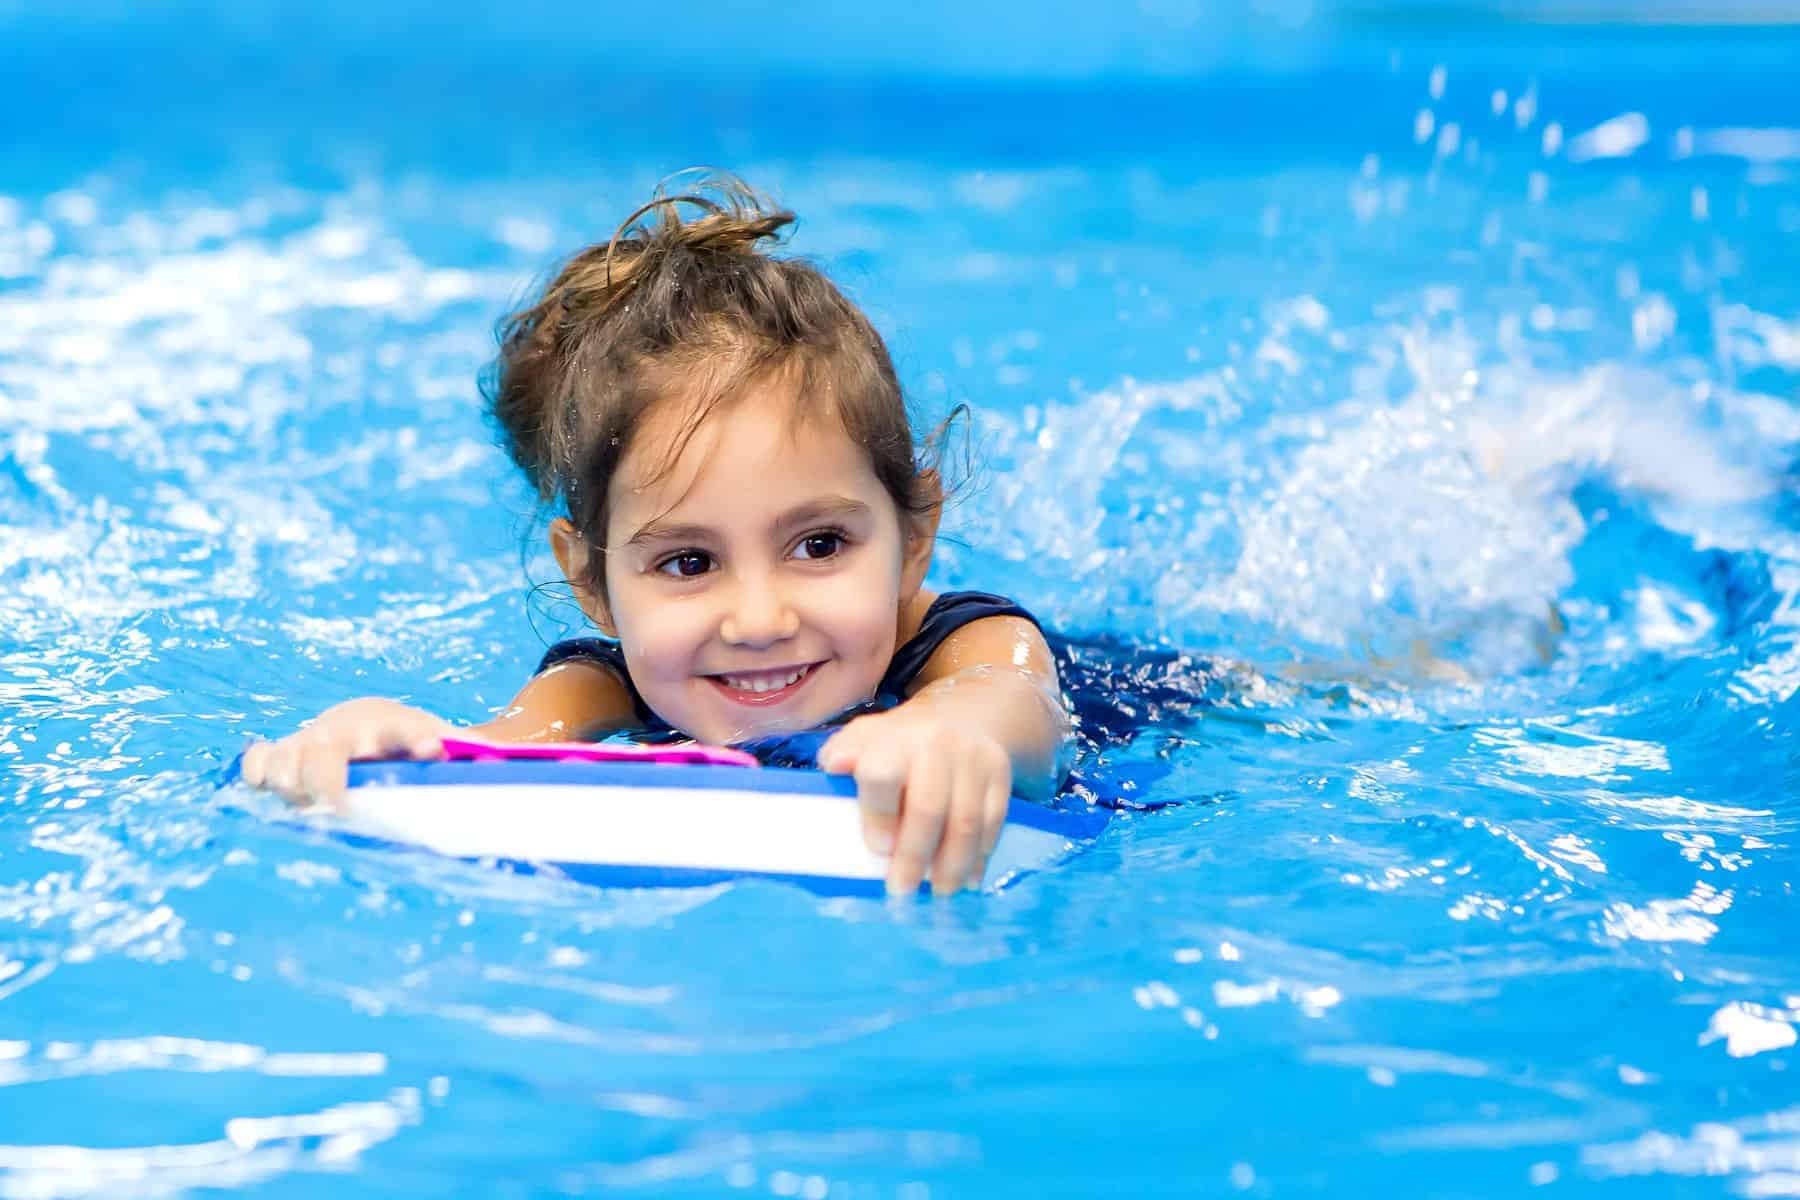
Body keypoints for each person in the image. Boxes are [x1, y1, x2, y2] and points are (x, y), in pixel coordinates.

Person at [240, 172, 1071, 896]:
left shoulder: (968, 643)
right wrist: (376, 740)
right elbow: (496, 749)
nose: (759, 621)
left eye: (819, 545)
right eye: (689, 561)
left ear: (914, 536)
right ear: (592, 581)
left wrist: (949, 734)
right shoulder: (608, 685)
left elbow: (1017, 705)